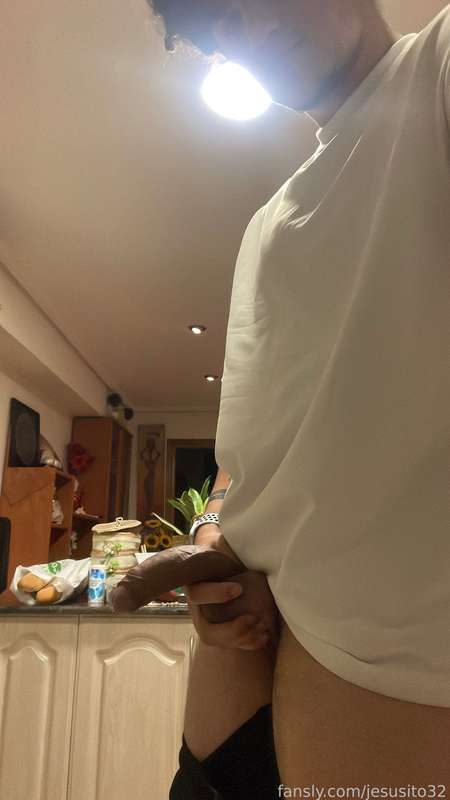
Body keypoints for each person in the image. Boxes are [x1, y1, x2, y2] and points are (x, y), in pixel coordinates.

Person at [146, 2, 450, 797]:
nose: (244, 34)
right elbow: (253, 447)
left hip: (383, 682)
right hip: (232, 696)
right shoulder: (264, 224)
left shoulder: (438, 68)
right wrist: (214, 532)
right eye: (215, 27)